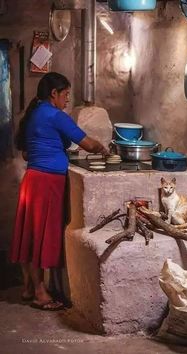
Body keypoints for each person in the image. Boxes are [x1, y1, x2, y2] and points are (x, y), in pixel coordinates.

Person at [10, 72, 108, 311]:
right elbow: (87, 144)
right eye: (65, 94)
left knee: (30, 235)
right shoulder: (56, 115)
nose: (67, 99)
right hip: (47, 183)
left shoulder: (34, 114)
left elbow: (26, 152)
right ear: (54, 94)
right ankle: (41, 294)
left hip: (32, 180)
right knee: (41, 237)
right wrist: (104, 149)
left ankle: (28, 288)